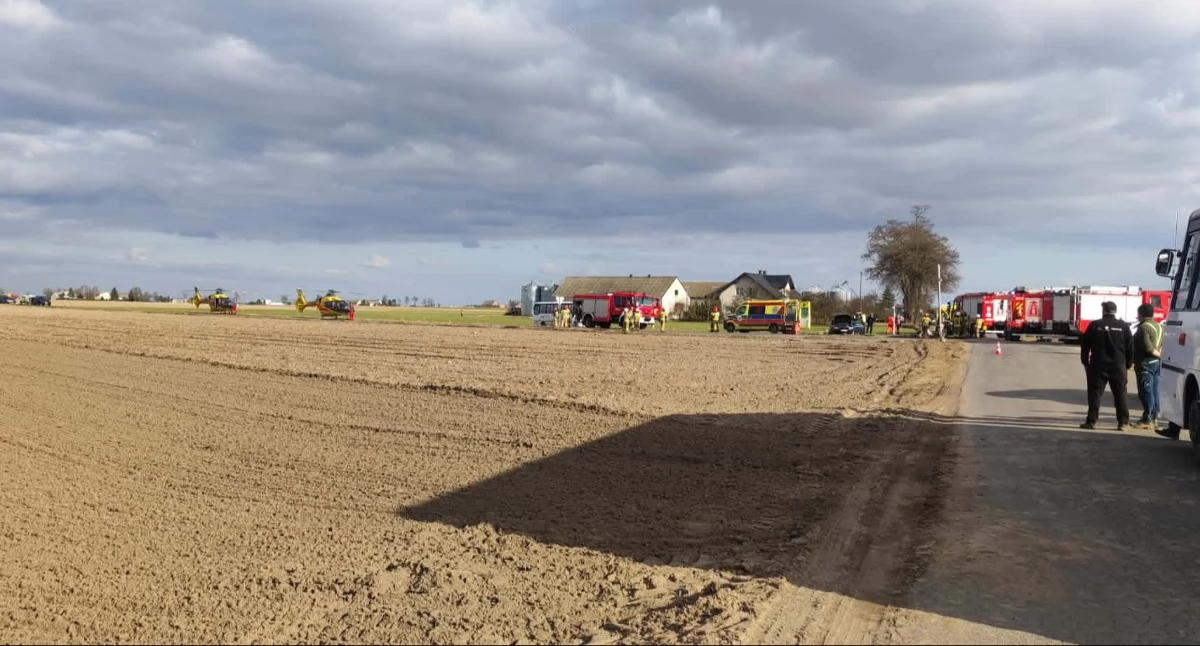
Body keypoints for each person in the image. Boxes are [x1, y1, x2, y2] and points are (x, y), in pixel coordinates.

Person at [1079, 301, 1135, 430]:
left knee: (1095, 394)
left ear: (1103, 311)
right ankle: (1123, 422)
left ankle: (1091, 421)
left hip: (1098, 365)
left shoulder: (1094, 325)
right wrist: (1128, 364)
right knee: (1120, 394)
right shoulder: (1124, 326)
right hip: (1118, 365)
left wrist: (1085, 362)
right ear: (1115, 311)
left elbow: (1085, 345)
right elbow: (1131, 348)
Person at [1132, 303, 1163, 430]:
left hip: (1145, 363)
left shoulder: (1144, 327)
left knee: (1146, 391)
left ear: (1140, 314)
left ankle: (1147, 418)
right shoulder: (1159, 326)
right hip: (1156, 364)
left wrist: (1157, 355)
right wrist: (1160, 355)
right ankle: (1154, 417)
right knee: (1154, 391)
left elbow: (1147, 347)